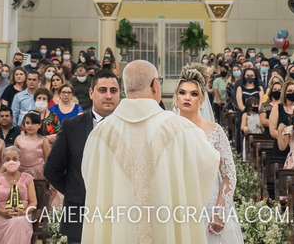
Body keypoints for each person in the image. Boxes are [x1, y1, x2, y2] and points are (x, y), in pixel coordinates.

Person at [82, 60, 220, 244]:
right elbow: (208, 166)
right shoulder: (181, 129)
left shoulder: (99, 134)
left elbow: (91, 184)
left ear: (124, 88)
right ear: (155, 85)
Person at [45, 71, 121, 243]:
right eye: (102, 90)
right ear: (91, 93)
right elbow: (52, 170)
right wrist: (75, 191)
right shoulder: (72, 126)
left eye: (113, 91)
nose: (108, 96)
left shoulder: (130, 129)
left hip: (118, 212)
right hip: (79, 211)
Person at [175, 65, 242, 243]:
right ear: (176, 97)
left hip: (209, 205)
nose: (187, 97)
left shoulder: (215, 131)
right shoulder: (166, 129)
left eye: (194, 93)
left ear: (201, 99)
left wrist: (220, 211)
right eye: (182, 92)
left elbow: (228, 174)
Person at [0, 147, 36, 244]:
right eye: (7, 159)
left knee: (18, 222)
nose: (11, 162)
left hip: (23, 215)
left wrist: (24, 212)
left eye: (14, 159)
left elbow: (33, 202)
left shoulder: (27, 178)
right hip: (1, 216)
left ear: (19, 160)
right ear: (3, 161)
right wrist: (3, 212)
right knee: (15, 222)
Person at [15, 111, 50, 181]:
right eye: (27, 123)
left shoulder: (43, 140)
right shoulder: (18, 139)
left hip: (38, 174)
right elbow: (14, 158)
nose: (30, 126)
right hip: (21, 172)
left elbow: (48, 161)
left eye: (33, 123)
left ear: (39, 125)